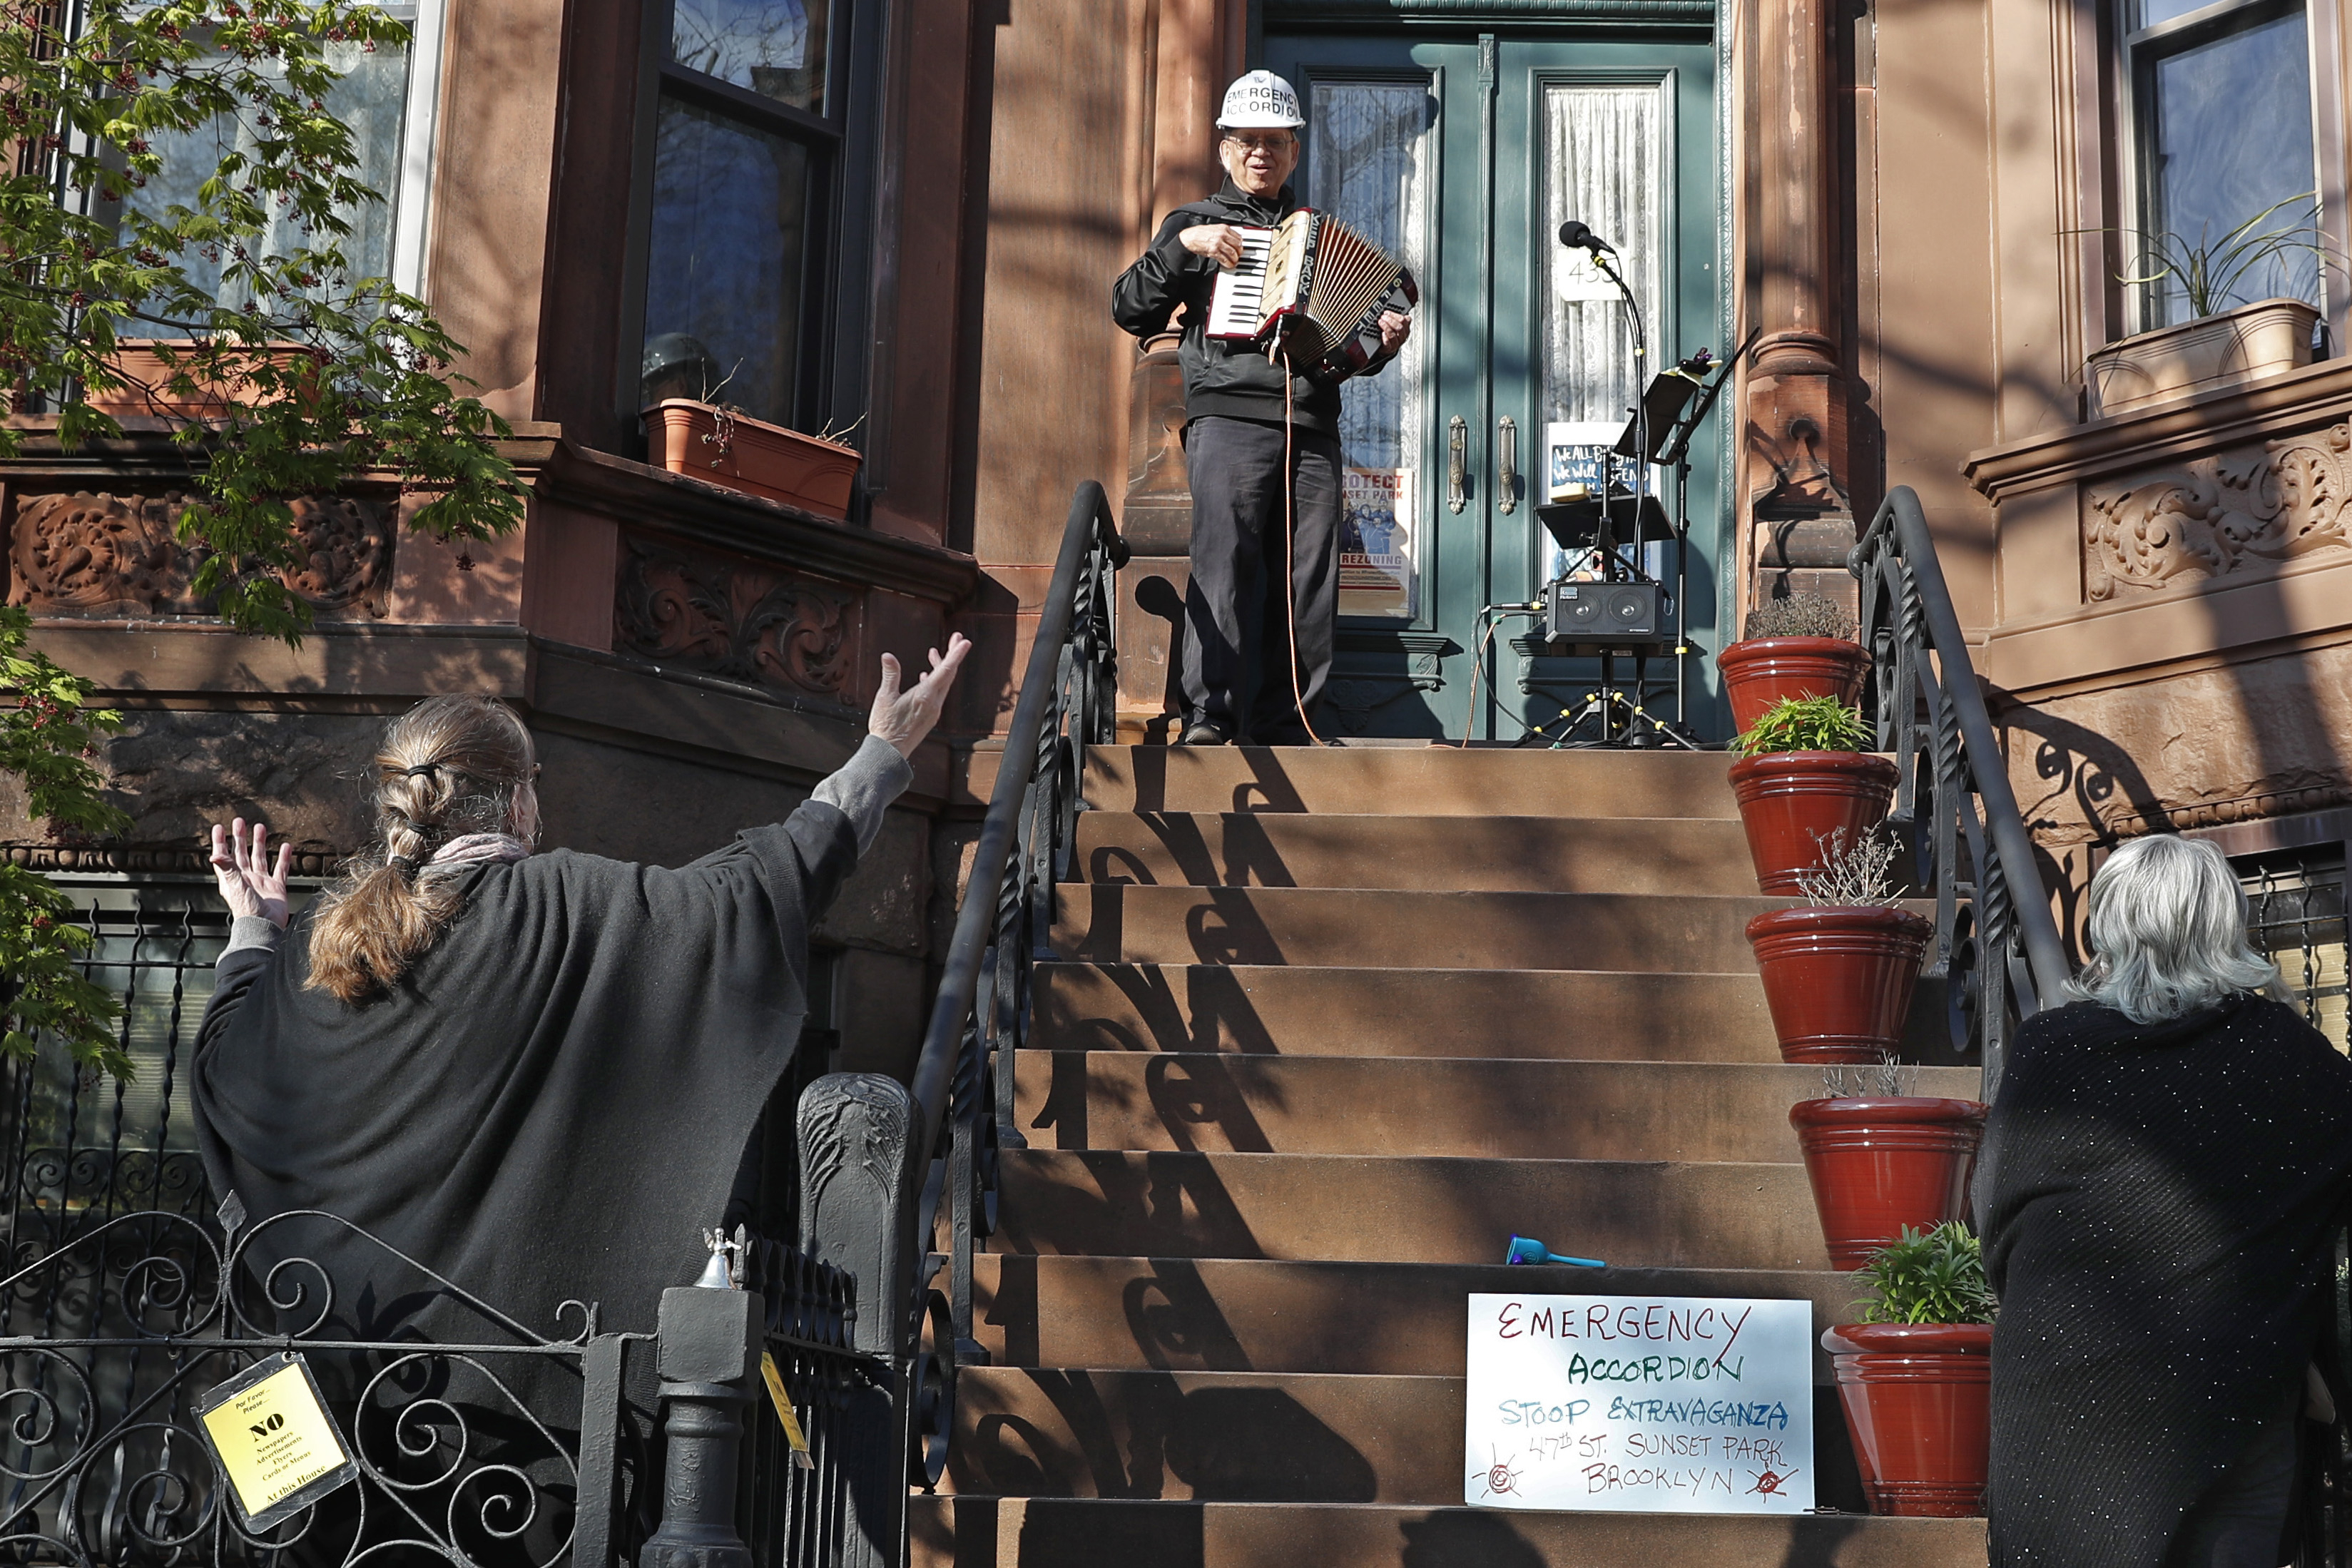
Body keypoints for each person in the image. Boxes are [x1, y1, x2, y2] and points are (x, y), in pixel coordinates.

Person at [193, 633, 969, 1358]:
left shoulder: (321, 948)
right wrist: (883, 752)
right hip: (521, 1436)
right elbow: (763, 885)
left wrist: (254, 931)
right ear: (520, 803)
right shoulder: (569, 904)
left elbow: (225, 1061)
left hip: (358, 1396)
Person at [1975, 834, 2352, 1568]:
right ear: (2224, 922)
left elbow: (1995, 1224)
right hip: (2233, 1407)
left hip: (2062, 1414)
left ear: (2110, 923)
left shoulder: (2050, 1050)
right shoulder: (2298, 1060)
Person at [1111, 69, 1414, 746]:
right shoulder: (1194, 226)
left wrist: (1383, 344)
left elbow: (1345, 354)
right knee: (1222, 564)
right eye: (1247, 141)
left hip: (1310, 424)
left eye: (1274, 142)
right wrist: (1178, 249)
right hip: (1227, 418)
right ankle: (1210, 717)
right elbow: (1129, 308)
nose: (1260, 154)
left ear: (1293, 151)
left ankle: (1291, 721)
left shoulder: (1317, 232)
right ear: (1224, 148)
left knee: (1309, 578)